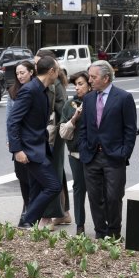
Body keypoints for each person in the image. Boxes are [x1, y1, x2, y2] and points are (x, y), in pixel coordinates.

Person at [77, 60, 137, 240]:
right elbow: (84, 128)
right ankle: (100, 233)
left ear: (106, 78)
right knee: (95, 198)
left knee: (113, 197)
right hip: (91, 156)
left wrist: (124, 152)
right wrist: (84, 147)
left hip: (114, 157)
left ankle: (114, 233)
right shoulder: (88, 98)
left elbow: (130, 129)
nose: (90, 80)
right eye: (90, 77)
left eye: (93, 77)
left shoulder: (124, 98)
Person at [6, 56, 62, 228]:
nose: (59, 74)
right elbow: (13, 121)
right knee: (53, 186)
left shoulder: (42, 90)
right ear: (51, 71)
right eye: (58, 70)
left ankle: (28, 223)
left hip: (39, 148)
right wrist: (17, 150)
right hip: (30, 150)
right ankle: (27, 219)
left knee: (36, 189)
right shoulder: (29, 90)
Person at [35, 49, 72, 227]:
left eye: (38, 63)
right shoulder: (53, 80)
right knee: (57, 171)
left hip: (53, 134)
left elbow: (62, 109)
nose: (36, 67)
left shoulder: (54, 82)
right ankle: (63, 212)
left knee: (51, 172)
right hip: (53, 133)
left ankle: (48, 215)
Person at [58, 71, 91, 235]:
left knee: (97, 191)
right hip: (75, 154)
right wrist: (74, 119)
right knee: (79, 189)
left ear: (89, 84)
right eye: (75, 84)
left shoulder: (95, 102)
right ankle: (80, 225)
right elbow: (63, 132)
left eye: (81, 84)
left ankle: (103, 225)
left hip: (94, 155)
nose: (77, 88)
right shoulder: (70, 105)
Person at [8, 60, 36, 212]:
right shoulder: (13, 92)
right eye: (17, 73)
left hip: (33, 140)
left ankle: (33, 210)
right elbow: (9, 120)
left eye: (22, 72)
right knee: (21, 175)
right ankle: (26, 208)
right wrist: (9, 140)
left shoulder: (38, 89)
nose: (19, 76)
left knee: (34, 176)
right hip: (18, 140)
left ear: (31, 72)